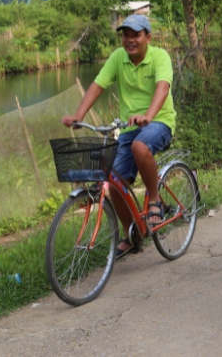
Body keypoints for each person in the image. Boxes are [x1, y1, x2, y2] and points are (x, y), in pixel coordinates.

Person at [62, 14, 176, 257]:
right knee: (114, 184)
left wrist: (148, 116)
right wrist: (78, 116)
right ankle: (132, 235)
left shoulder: (160, 57)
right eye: (125, 35)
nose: (130, 40)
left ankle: (154, 199)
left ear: (148, 37)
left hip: (159, 122)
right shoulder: (117, 58)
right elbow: (97, 86)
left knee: (140, 146)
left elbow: (163, 88)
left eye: (136, 35)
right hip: (128, 127)